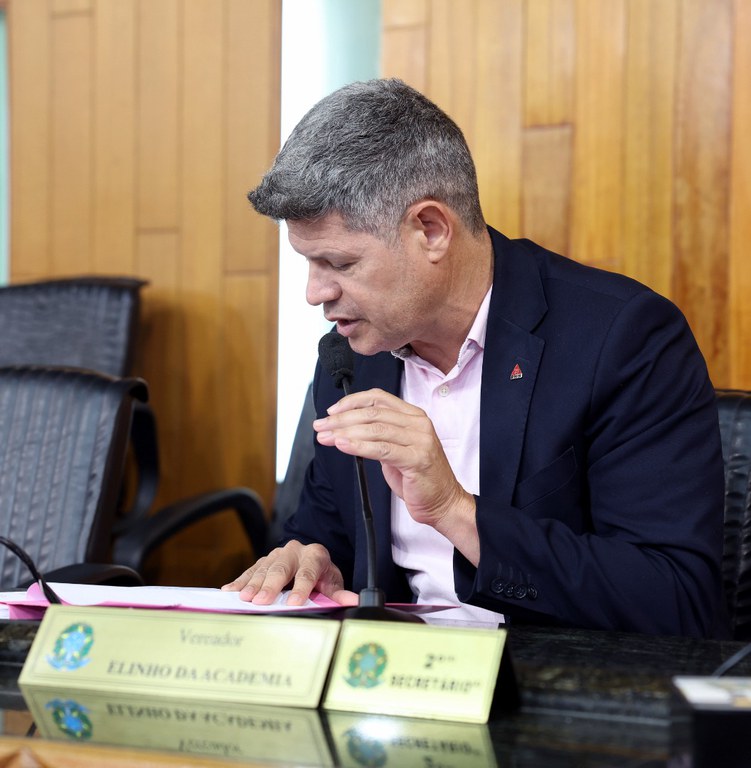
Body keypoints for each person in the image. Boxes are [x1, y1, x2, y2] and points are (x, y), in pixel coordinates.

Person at [223, 78, 728, 637]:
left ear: (431, 230)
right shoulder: (352, 356)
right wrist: (313, 562)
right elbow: (330, 533)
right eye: (309, 263)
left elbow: (674, 598)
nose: (315, 293)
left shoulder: (623, 338)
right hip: (392, 675)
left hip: (551, 681)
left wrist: (453, 509)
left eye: (340, 264)